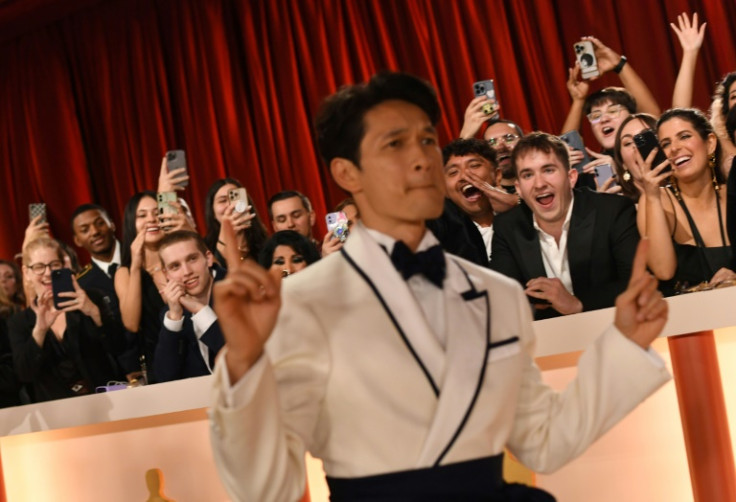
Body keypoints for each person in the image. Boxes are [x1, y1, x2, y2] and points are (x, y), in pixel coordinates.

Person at [208, 71, 670, 500]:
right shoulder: (304, 303)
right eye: (395, 144)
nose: (422, 159)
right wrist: (246, 364)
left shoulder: (497, 294)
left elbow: (544, 441)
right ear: (347, 174)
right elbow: (266, 487)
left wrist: (625, 343)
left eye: (427, 139)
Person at [490, 132, 639, 320]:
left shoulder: (611, 210)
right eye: (528, 175)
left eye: (548, 170)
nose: (539, 184)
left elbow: (637, 283)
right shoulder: (507, 227)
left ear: (571, 177)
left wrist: (577, 303)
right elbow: (504, 298)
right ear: (518, 188)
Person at [8, 237, 124, 402]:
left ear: (64, 266)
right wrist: (39, 331)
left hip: (107, 400)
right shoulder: (19, 322)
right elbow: (25, 374)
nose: (48, 273)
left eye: (54, 265)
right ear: (27, 273)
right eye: (39, 267)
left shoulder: (91, 299)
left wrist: (94, 313)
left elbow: (119, 346)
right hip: (56, 411)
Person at [638, 108, 735, 294]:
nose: (674, 148)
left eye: (684, 136)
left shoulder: (732, 194)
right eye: (665, 144)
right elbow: (663, 270)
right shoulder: (657, 200)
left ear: (710, 144)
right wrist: (652, 196)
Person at [154, 231, 226, 382]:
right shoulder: (171, 313)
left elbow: (244, 359)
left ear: (208, 258)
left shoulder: (239, 288)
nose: (187, 272)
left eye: (192, 259)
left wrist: (201, 311)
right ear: (166, 274)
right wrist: (174, 318)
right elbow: (164, 379)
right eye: (175, 266)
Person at [114, 191, 167, 381]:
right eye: (142, 215)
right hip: (158, 360)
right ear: (131, 224)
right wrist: (136, 266)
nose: (152, 219)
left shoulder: (180, 260)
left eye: (157, 212)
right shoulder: (125, 273)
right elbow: (131, 323)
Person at [441, 138, 519, 262]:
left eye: (474, 165)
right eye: (453, 172)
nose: (464, 176)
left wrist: (516, 203)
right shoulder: (441, 238)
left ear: (497, 175)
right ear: (444, 189)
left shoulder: (522, 219)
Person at [71, 204, 123, 319]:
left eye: (100, 223)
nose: (95, 232)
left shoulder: (140, 255)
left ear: (112, 225)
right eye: (85, 230)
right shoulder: (81, 285)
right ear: (77, 240)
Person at [204, 178, 269, 267]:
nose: (231, 205)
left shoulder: (264, 242)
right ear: (213, 212)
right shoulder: (205, 248)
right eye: (223, 201)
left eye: (235, 198)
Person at [612, 113, 659, 202]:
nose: (637, 147)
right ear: (623, 163)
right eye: (628, 143)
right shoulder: (621, 210)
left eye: (644, 138)